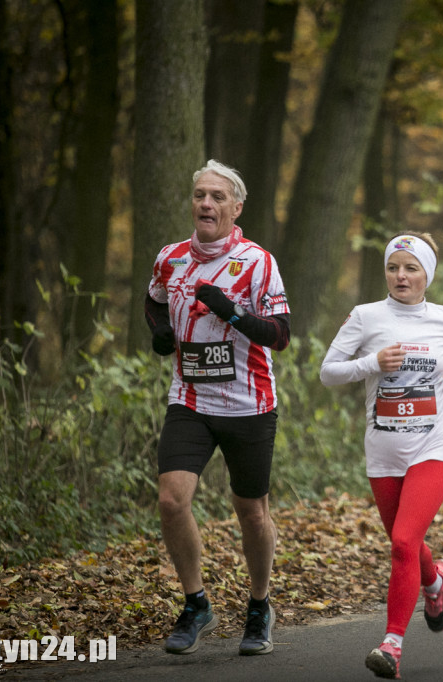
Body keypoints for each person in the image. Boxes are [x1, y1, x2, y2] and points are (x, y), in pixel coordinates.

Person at [320, 232, 443, 680]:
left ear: (427, 274)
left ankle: (391, 644)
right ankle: (435, 582)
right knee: (405, 543)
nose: (401, 276)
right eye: (393, 267)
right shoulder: (365, 316)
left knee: (403, 542)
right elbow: (329, 372)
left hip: (435, 445)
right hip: (384, 450)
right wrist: (372, 363)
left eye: (411, 268)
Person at [144, 159, 290, 656]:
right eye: (200, 195)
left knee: (251, 511)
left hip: (249, 403)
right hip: (190, 399)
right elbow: (155, 299)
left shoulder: (257, 261)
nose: (206, 203)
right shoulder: (172, 256)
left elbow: (280, 336)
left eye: (217, 197)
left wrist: (230, 310)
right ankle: (196, 604)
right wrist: (162, 332)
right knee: (171, 500)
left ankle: (258, 605)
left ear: (236, 207)